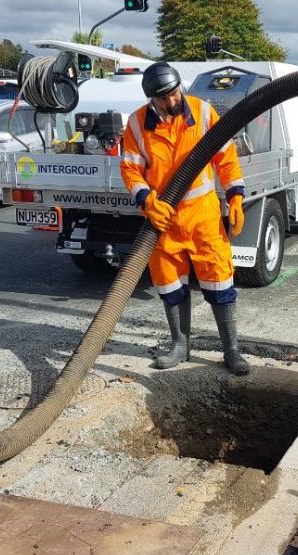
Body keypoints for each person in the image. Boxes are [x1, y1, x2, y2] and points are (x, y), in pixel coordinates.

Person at [121, 62, 250, 375]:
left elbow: (227, 159)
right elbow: (130, 169)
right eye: (163, 97)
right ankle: (180, 344)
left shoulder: (203, 113)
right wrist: (146, 200)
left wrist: (235, 197)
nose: (171, 101)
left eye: (174, 92)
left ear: (180, 86)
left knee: (220, 280)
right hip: (163, 220)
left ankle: (231, 349)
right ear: (152, 98)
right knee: (169, 284)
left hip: (202, 215)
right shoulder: (138, 124)